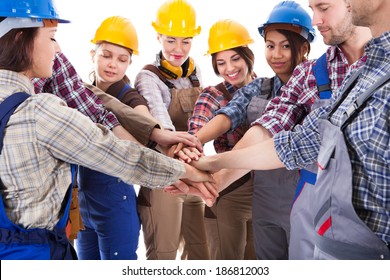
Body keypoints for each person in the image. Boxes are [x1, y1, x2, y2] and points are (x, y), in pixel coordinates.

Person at [0, 0, 216, 260]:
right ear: (22, 38)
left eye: (122, 58)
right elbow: (120, 155)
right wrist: (189, 171)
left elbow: (93, 103)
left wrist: (155, 133)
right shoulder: (41, 112)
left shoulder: (50, 98)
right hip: (37, 251)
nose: (57, 49)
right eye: (52, 38)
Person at [169, 0, 373, 259]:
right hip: (298, 200)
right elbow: (265, 128)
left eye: (323, 8)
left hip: (363, 207)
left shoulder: (376, 66)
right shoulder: (306, 76)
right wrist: (213, 176)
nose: (316, 19)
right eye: (270, 45)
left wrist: (210, 162)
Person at [180, 2, 314, 260]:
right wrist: (195, 141)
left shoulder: (316, 82)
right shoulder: (260, 88)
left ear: (304, 47)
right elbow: (229, 115)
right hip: (264, 199)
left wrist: (212, 165)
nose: (276, 54)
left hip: (303, 197)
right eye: (270, 45)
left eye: (286, 45)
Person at [135, 0, 209, 260]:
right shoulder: (148, 77)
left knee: (201, 253)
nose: (179, 49)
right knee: (163, 256)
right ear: (158, 37)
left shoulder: (195, 72)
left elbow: (202, 117)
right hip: (163, 177)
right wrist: (189, 159)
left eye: (186, 41)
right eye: (170, 40)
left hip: (193, 170)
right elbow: (162, 124)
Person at [75, 16, 151, 260]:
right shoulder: (79, 94)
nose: (113, 65)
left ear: (130, 63)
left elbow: (146, 122)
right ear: (92, 54)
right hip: (84, 201)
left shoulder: (129, 98)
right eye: (106, 55)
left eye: (122, 59)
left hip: (114, 202)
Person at [185, 19, 257, 260]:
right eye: (221, 62)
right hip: (228, 193)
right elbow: (196, 128)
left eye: (235, 58)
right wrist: (200, 167)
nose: (229, 68)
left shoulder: (267, 88)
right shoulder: (213, 95)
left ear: (248, 56)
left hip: (264, 192)